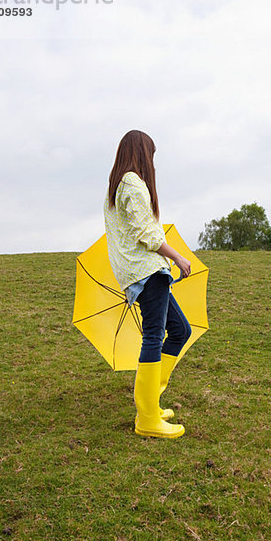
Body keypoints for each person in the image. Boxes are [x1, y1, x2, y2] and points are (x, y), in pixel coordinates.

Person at [103, 130, 192, 439]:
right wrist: (177, 257)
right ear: (142, 153)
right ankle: (147, 419)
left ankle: (151, 403)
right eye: (151, 155)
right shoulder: (132, 183)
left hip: (144, 272)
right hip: (147, 270)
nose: (152, 162)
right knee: (154, 335)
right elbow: (148, 234)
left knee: (180, 330)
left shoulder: (118, 184)